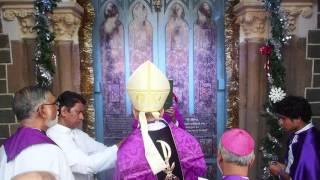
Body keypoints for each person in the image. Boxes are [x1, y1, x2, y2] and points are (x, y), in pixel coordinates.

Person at [114, 61, 206, 179]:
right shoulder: (188, 141)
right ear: (162, 111)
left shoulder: (126, 151)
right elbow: (199, 171)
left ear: (135, 113)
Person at [0, 85, 74, 180]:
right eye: (54, 104)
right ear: (42, 110)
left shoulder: (4, 149)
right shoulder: (50, 151)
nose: (57, 108)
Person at [47, 91, 119, 180]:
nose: (82, 117)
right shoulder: (54, 135)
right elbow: (86, 166)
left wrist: (125, 149)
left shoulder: (78, 134)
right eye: (78, 112)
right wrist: (119, 148)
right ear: (64, 111)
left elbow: (102, 150)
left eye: (82, 113)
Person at [268, 96, 320, 180]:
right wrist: (284, 167)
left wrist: (280, 172)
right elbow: (299, 169)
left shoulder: (309, 143)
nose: (280, 122)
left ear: (298, 118)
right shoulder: (300, 134)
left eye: (283, 119)